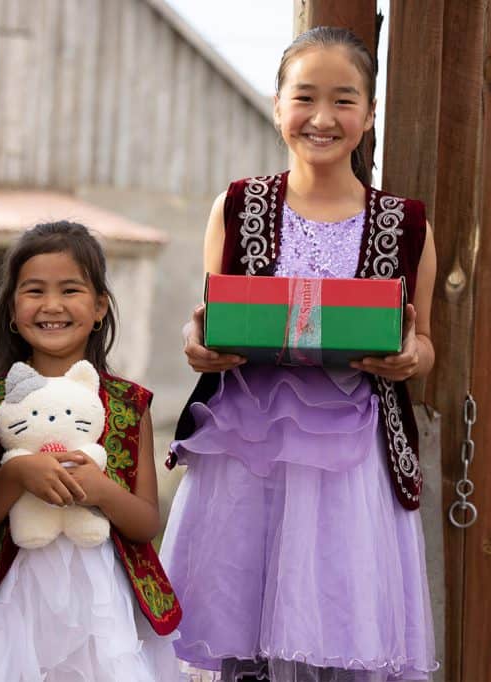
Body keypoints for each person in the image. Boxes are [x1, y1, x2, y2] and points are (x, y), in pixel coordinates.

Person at [160, 27, 440, 682]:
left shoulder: (404, 224)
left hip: (352, 465)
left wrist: (410, 358)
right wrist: (195, 344)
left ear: (369, 115)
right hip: (247, 457)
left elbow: (423, 341)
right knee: (247, 632)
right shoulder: (238, 205)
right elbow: (211, 318)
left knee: (336, 623)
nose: (322, 118)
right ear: (277, 102)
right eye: (304, 97)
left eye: (344, 100)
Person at [0, 222, 183, 681]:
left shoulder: (127, 403)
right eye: (34, 291)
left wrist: (100, 490)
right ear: (11, 310)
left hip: (100, 602)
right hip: (12, 599)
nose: (52, 306)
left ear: (100, 306)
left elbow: (145, 522)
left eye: (71, 290)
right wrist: (18, 474)